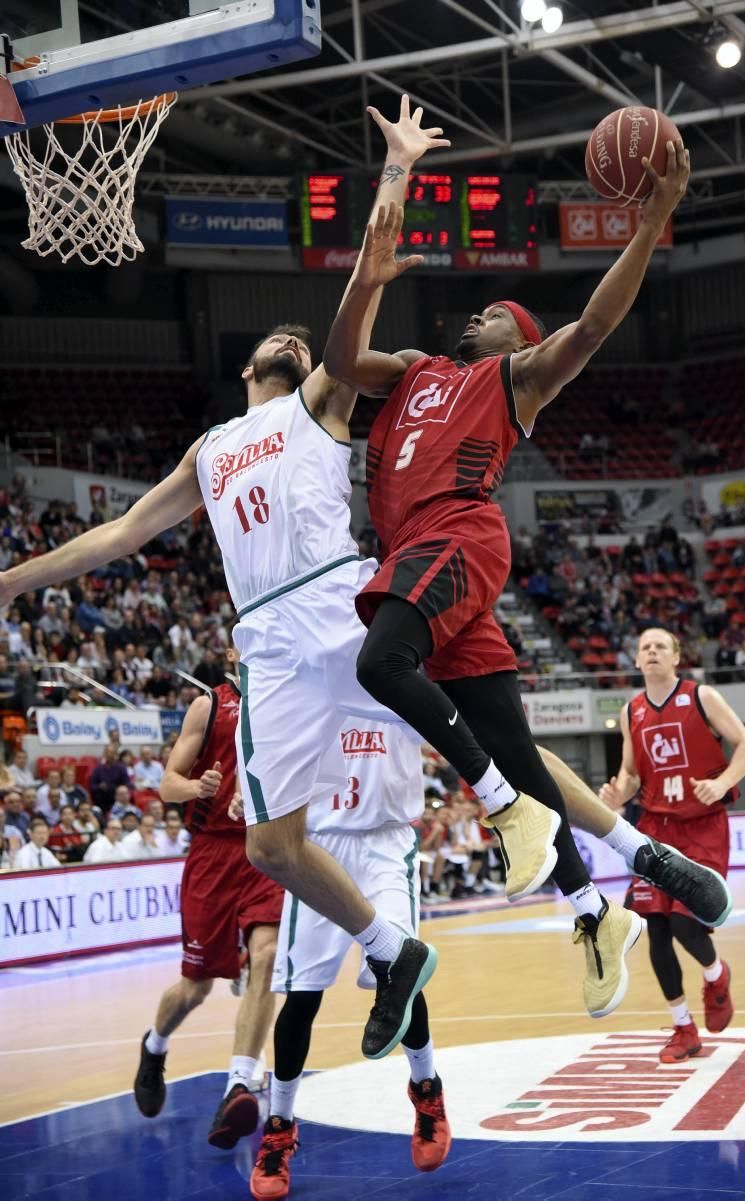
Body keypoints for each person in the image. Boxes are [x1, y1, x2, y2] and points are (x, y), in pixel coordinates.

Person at [0, 101, 453, 1063]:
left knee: (476, 714)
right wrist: (13, 581)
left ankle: (575, 848)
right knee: (271, 848)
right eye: (279, 341)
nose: (293, 342)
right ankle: (392, 947)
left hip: (339, 603)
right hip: (269, 646)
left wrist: (396, 171)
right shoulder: (210, 450)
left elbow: (363, 285)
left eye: (302, 342)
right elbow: (119, 535)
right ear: (247, 365)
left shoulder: (321, 401)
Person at [322, 118, 722, 1016]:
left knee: (381, 663)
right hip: (419, 552)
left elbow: (598, 320)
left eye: (498, 312)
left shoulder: (514, 380)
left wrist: (653, 217)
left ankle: (505, 810)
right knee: (514, 745)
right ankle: (597, 904)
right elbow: (343, 358)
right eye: (480, 310)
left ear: (518, 340)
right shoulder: (418, 370)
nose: (480, 312)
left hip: (455, 537)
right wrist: (369, 278)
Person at [249, 716, 449, 1200]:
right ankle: (279, 1127)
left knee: (401, 973)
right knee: (301, 996)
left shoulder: (397, 665)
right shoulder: (307, 678)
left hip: (385, 840)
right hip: (316, 843)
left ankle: (427, 1092)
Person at [133, 659, 284, 1150]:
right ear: (233, 649)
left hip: (268, 846)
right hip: (214, 855)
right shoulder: (210, 704)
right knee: (194, 988)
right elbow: (167, 783)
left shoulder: (290, 697)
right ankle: (154, 1047)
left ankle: (238, 1083)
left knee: (267, 957)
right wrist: (197, 787)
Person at [599, 628, 745, 1064]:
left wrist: (723, 782)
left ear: (676, 657)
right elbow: (631, 773)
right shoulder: (632, 709)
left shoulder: (702, 697)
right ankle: (683, 1028)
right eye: (644, 647)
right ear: (636, 660)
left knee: (688, 924)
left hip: (703, 825)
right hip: (654, 827)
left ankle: (715, 973)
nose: (651, 652)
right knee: (656, 927)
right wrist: (619, 793)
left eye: (660, 646)